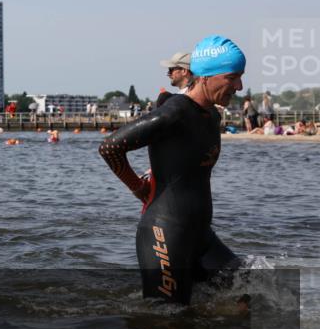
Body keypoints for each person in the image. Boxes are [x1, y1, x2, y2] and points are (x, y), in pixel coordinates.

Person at [99, 35, 245, 305]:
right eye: (232, 77)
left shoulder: (212, 114)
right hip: (165, 234)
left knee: (246, 293)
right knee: (169, 326)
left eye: (240, 77)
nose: (239, 86)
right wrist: (138, 188)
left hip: (201, 235)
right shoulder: (173, 113)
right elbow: (110, 147)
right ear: (205, 76)